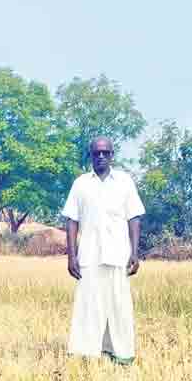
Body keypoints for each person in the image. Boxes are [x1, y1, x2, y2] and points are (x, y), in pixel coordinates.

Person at [60, 136, 145, 365]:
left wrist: (135, 253)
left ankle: (121, 353)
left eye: (105, 153)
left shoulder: (125, 182)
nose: (100, 157)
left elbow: (134, 217)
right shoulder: (80, 184)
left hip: (118, 255)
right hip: (89, 255)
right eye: (96, 153)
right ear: (90, 156)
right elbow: (71, 221)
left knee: (119, 306)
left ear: (112, 155)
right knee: (88, 305)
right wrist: (71, 256)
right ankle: (85, 352)